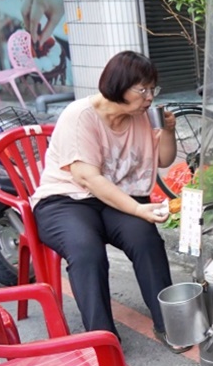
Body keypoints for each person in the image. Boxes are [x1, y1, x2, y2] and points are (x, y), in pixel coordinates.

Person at [31, 51, 176, 338]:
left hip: (115, 199)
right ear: (118, 85)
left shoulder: (142, 117)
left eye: (152, 89)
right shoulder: (80, 115)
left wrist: (169, 131)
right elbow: (88, 178)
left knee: (145, 239)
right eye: (143, 89)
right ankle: (102, 338)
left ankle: (170, 324)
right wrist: (138, 209)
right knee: (87, 250)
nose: (149, 97)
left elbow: (164, 160)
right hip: (64, 200)